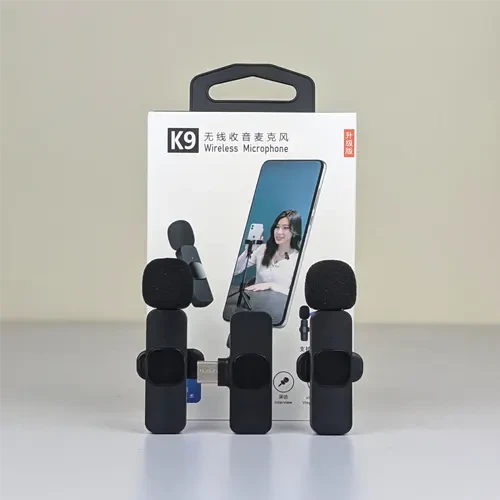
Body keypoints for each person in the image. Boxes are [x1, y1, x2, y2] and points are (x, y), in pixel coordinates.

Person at [233, 209, 302, 296]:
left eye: (285, 228)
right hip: (255, 301)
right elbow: (235, 270)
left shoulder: (298, 259)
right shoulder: (262, 249)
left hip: (280, 304)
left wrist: (271, 285)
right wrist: (248, 250)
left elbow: (297, 295)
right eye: (277, 227)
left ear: (294, 232)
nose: (279, 232)